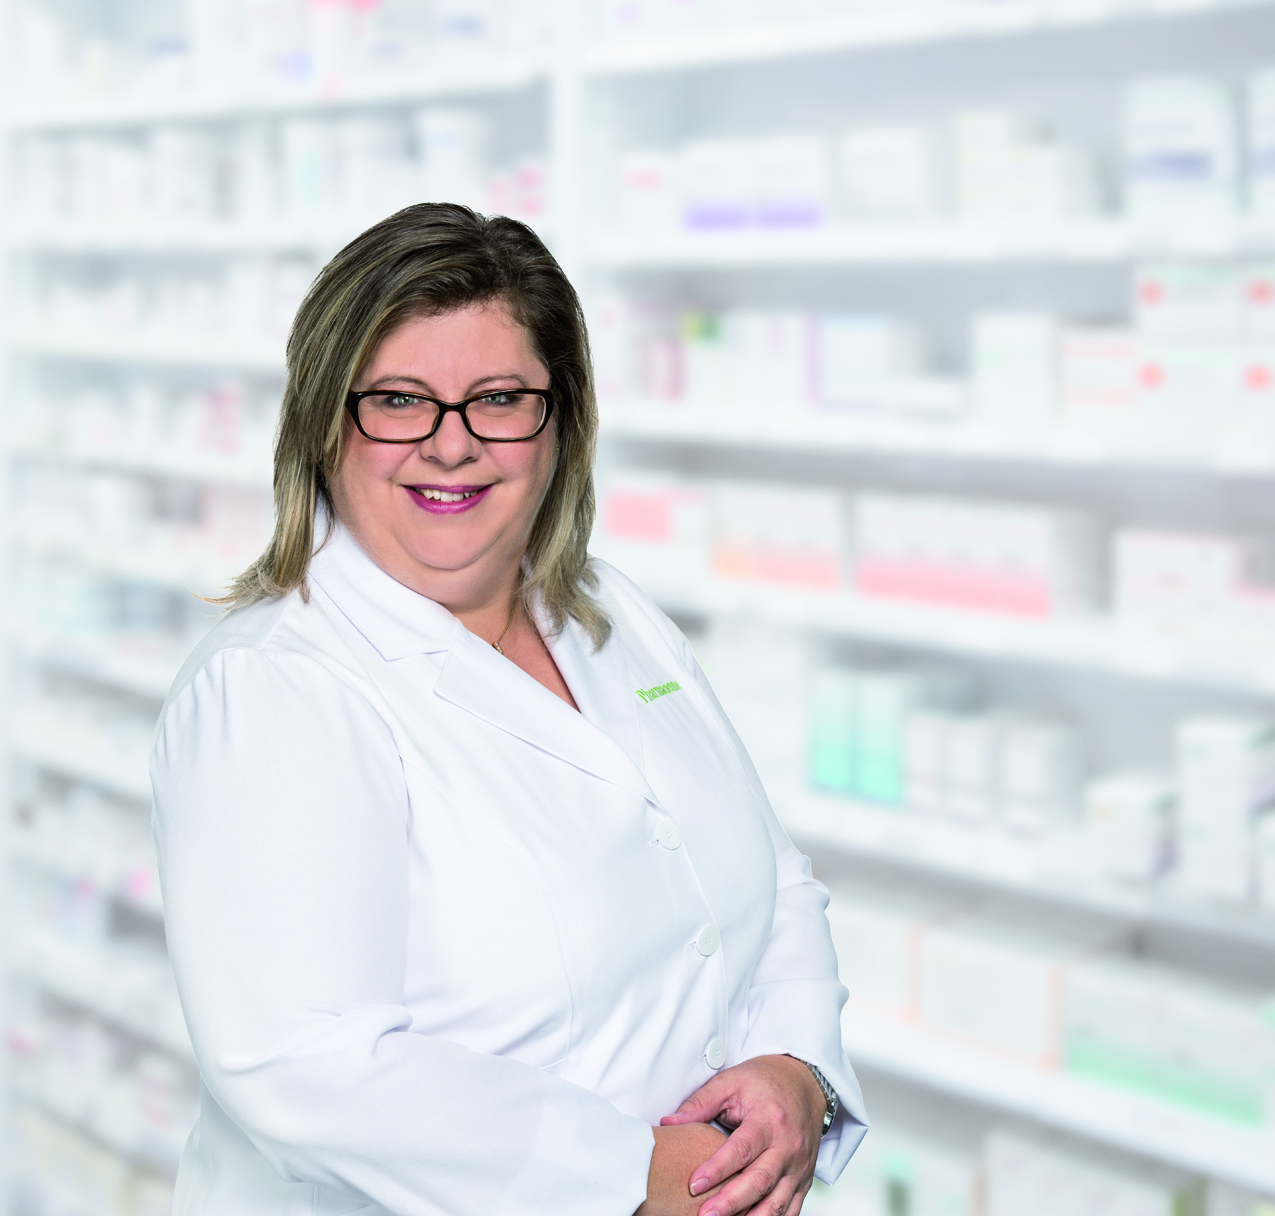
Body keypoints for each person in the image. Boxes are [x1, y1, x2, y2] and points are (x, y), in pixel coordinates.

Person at [150, 203, 867, 1216]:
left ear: (559, 421)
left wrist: (798, 1067)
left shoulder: (611, 612)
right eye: (398, 400)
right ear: (322, 423)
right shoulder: (276, 688)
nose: (451, 445)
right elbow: (304, 1065)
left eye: (498, 399)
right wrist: (629, 1175)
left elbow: (773, 881)